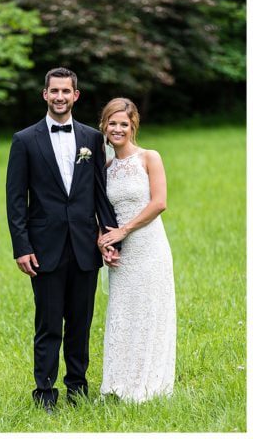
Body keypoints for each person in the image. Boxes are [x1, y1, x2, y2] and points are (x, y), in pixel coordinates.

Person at [5, 67, 119, 412]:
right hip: (44, 248)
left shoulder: (90, 138)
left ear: (75, 96)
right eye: (54, 91)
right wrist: (22, 247)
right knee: (49, 322)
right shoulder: (25, 140)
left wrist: (110, 236)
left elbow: (100, 192)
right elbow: (15, 200)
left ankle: (78, 387)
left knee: (81, 323)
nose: (59, 97)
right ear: (45, 95)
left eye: (65, 92)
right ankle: (44, 391)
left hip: (85, 245)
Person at [96, 97, 176, 402]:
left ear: (133, 126)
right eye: (112, 123)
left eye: (123, 124)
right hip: (121, 251)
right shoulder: (105, 166)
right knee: (123, 313)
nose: (117, 129)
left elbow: (159, 202)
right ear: (104, 126)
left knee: (149, 311)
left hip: (149, 245)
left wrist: (125, 230)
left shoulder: (149, 158)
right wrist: (105, 243)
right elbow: (101, 212)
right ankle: (117, 384)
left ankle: (149, 383)